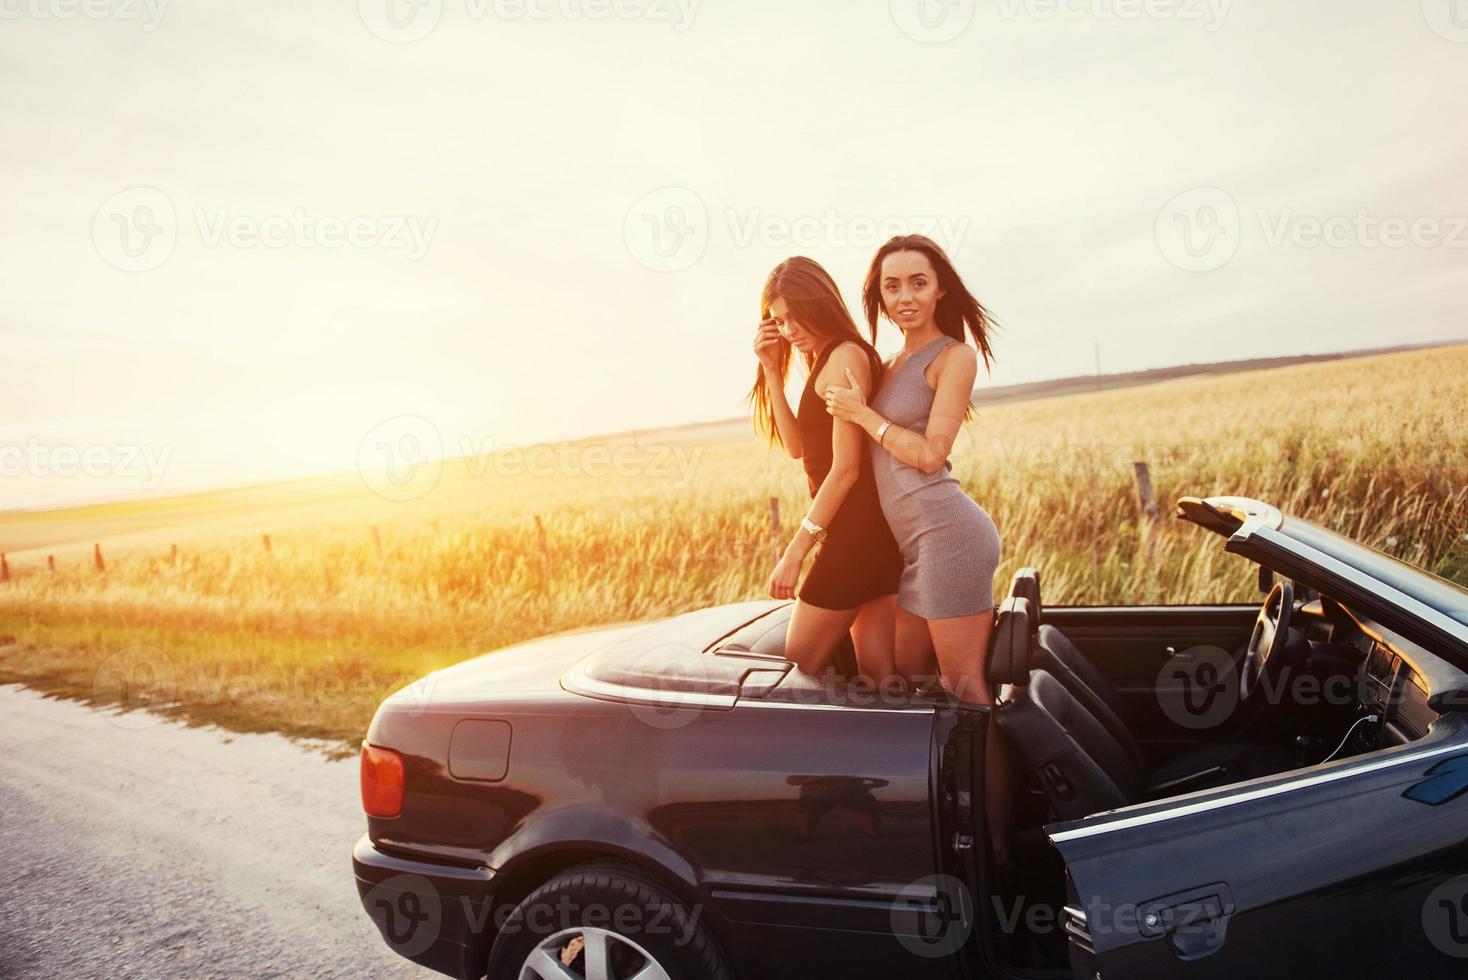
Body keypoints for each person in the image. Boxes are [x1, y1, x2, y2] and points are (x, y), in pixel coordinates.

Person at [826, 235, 1003, 704]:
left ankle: (1004, 780)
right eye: (892, 287)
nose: (905, 297)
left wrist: (863, 415)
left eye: (918, 283)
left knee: (964, 686)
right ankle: (943, 777)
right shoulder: (885, 365)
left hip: (951, 535)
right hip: (914, 549)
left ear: (940, 289)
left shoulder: (953, 357)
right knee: (912, 675)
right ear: (880, 296)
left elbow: (930, 454)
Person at [748, 257, 903, 683]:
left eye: (796, 315)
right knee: (877, 674)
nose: (789, 328)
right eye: (779, 320)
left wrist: (795, 552)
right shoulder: (825, 358)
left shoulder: (844, 357)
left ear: (820, 303)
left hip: (855, 534)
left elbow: (846, 470)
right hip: (863, 532)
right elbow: (798, 447)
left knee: (797, 664)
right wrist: (771, 369)